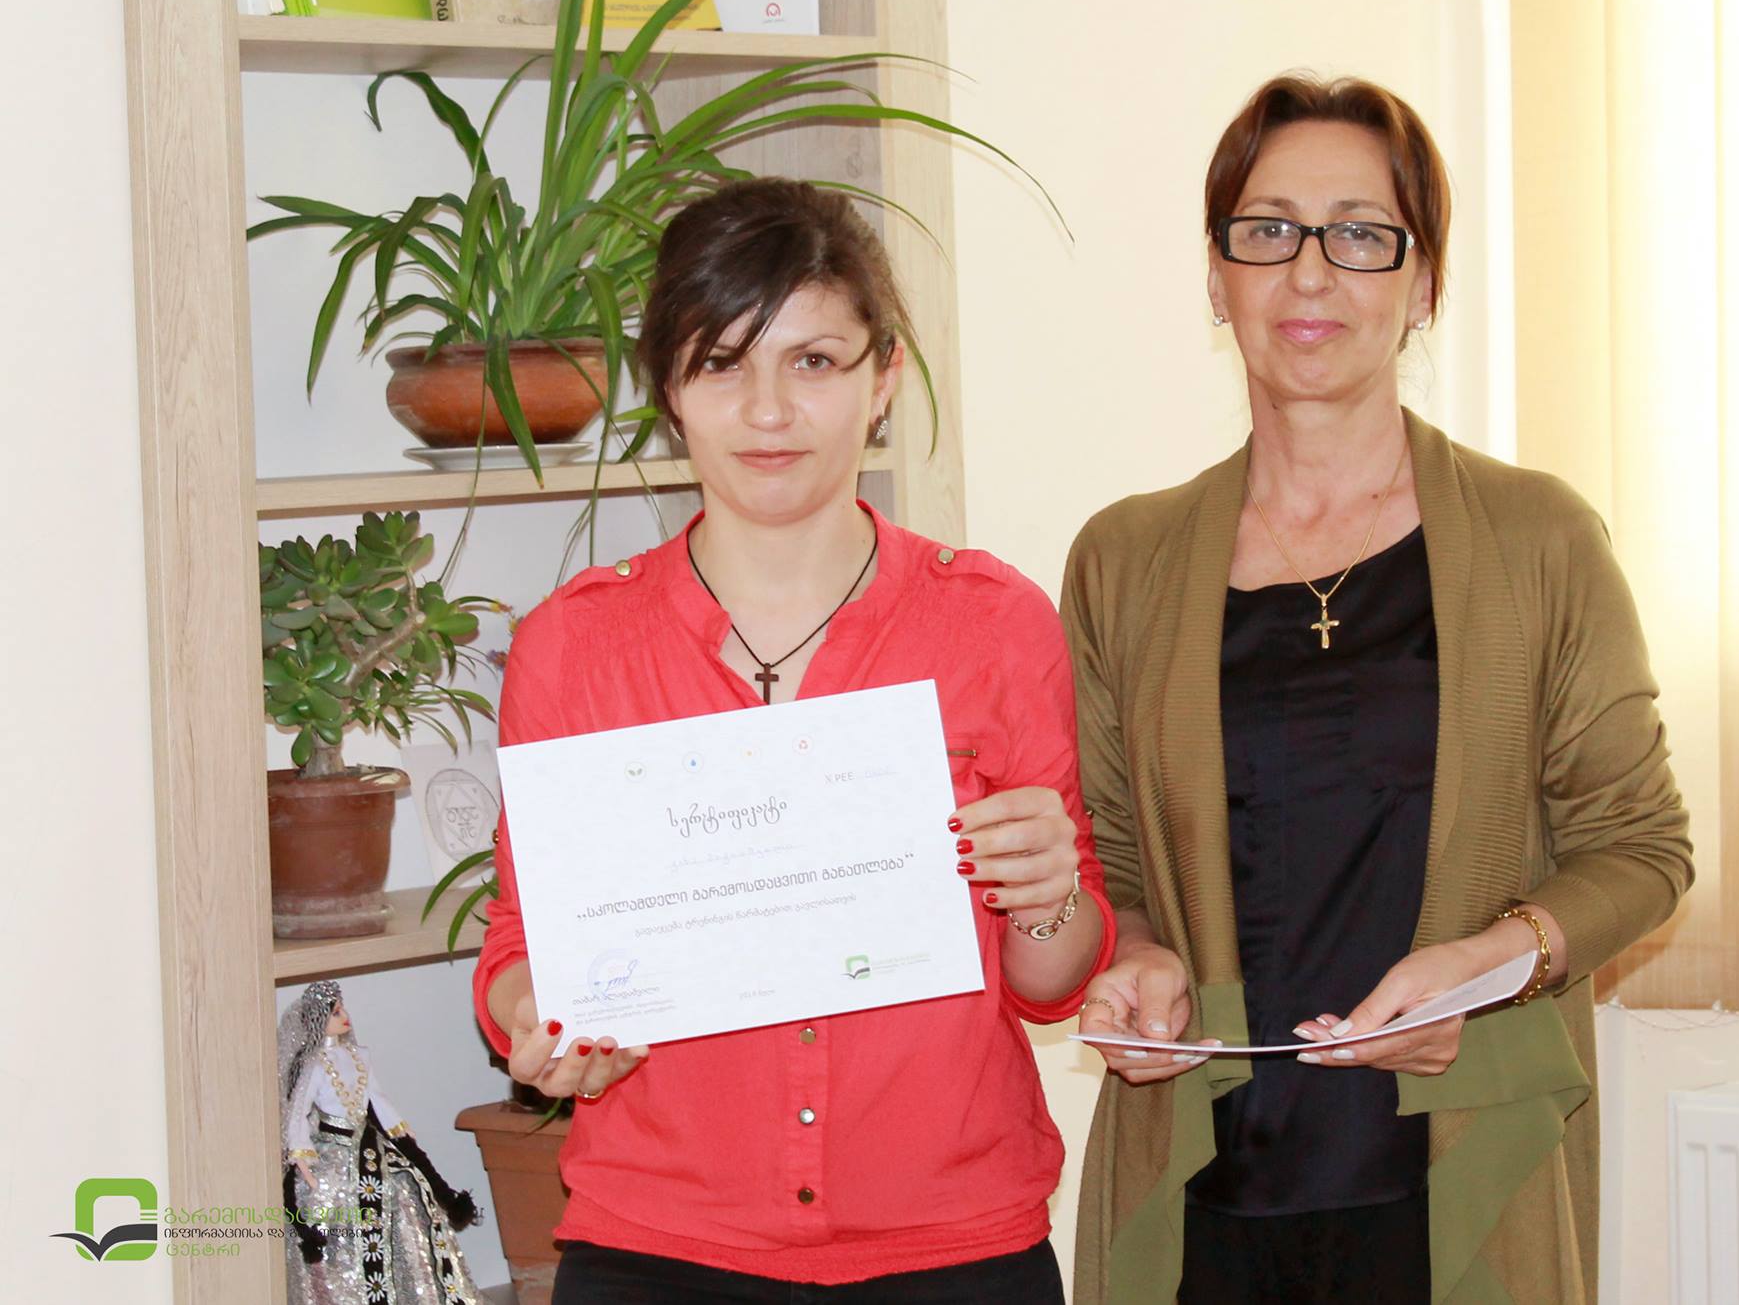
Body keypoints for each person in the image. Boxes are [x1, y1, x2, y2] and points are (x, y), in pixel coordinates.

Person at [1065, 75, 1694, 1305]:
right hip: (1200, 1194)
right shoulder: (1122, 560)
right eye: (1267, 230)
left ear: (1424, 284)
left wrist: (1492, 964)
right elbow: (1113, 865)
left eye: (1360, 234)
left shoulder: (1538, 538)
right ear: (1216, 277)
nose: (1309, 274)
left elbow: (1640, 849)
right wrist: (1132, 959)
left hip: (1456, 1180)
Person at [471, 177, 1113, 1303]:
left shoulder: (991, 624)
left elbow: (1051, 986)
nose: (768, 412)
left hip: (952, 1249)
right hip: (658, 1253)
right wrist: (543, 1021)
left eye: (813, 361)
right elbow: (523, 945)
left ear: (884, 378)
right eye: (722, 364)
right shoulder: (575, 646)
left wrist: (1049, 894)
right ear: (670, 390)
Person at [278, 979, 482, 1305]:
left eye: (343, 1008)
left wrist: (399, 1129)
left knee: (405, 1187)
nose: (345, 1016)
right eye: (335, 1012)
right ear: (318, 1019)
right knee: (331, 1204)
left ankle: (410, 1286)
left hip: (370, 1143)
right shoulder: (314, 1064)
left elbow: (377, 1099)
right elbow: (299, 1109)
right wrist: (301, 1156)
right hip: (334, 1147)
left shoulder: (358, 1056)